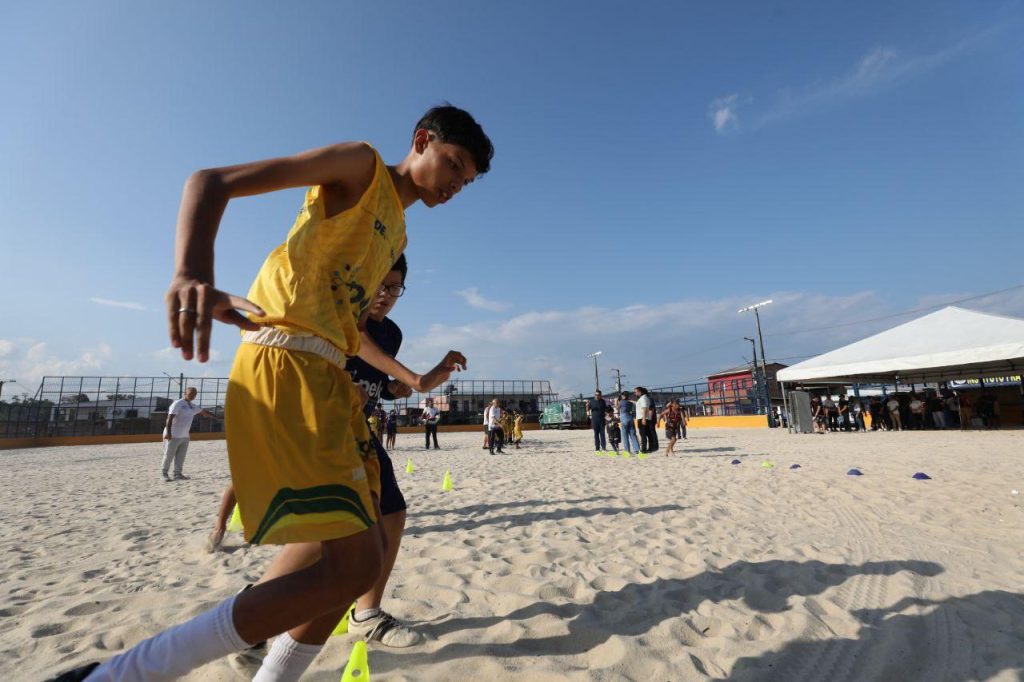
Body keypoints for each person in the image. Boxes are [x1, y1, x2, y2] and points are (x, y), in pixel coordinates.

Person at [55, 104, 493, 682]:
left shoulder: (399, 232)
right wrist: (192, 271)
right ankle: (117, 674)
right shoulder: (361, 167)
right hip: (287, 364)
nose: (455, 184)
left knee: (357, 560)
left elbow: (342, 321)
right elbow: (210, 182)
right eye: (453, 164)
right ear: (421, 140)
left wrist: (412, 379)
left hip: (327, 377)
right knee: (353, 564)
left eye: (465, 181)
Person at [160, 386, 215, 481]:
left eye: (194, 395)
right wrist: (169, 433)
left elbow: (204, 412)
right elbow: (169, 419)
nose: (192, 396)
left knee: (181, 456)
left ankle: (178, 474)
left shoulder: (192, 406)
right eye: (190, 394)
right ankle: (164, 474)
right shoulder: (177, 404)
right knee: (169, 455)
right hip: (173, 434)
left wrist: (219, 417)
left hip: (185, 436)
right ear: (184, 393)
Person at [634, 386, 657, 453]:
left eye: (636, 392)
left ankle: (644, 449)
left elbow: (644, 408)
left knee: (643, 434)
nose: (635, 393)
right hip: (644, 418)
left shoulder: (643, 398)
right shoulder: (643, 398)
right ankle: (650, 448)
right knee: (648, 434)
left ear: (640, 392)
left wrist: (643, 419)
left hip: (642, 418)